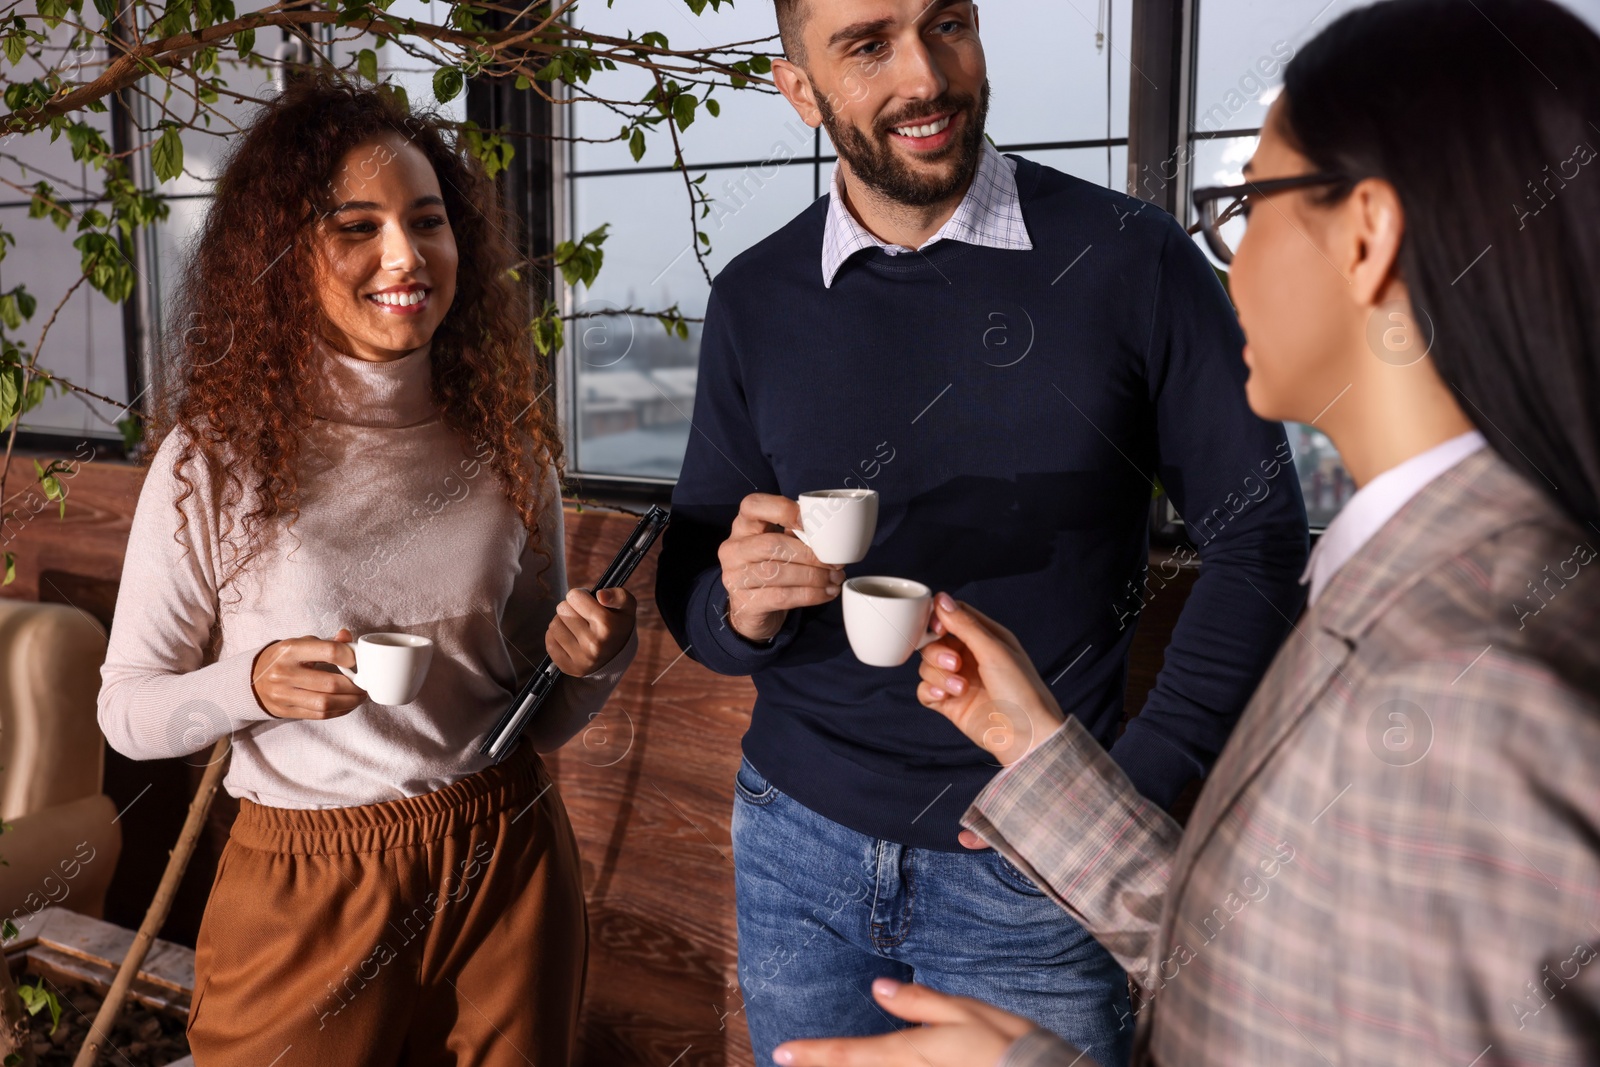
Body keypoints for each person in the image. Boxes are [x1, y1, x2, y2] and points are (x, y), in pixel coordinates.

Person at [772, 1, 1600, 1064]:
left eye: (1248, 203)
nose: (1224, 260)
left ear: (1366, 236)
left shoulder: (1483, 688)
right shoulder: (1416, 594)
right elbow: (1303, 974)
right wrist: (1040, 749)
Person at [654, 1, 1309, 1062]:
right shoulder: (754, 297)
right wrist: (738, 610)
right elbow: (691, 574)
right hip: (791, 843)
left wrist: (1112, 795)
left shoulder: (1129, 258)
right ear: (798, 88)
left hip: (1040, 872)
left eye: (947, 23)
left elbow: (1262, 540)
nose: (926, 74)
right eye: (867, 44)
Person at [96, 73, 638, 1065]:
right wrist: (248, 683)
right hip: (308, 875)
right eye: (356, 226)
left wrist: (589, 662)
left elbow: (530, 701)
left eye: (428, 221)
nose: (406, 255)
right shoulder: (214, 456)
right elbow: (126, 711)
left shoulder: (505, 438)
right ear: (284, 254)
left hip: (504, 845)